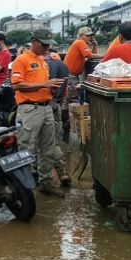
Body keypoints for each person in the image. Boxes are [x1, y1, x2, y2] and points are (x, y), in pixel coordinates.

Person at [11, 29, 67, 197]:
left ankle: (45, 182)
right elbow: (16, 85)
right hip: (29, 109)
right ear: (34, 41)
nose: (47, 48)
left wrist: (49, 87)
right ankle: (24, 186)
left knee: (48, 148)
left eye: (49, 45)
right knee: (26, 147)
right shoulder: (22, 60)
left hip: (46, 107)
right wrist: (44, 84)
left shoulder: (43, 61)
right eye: (44, 44)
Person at [43, 52, 72, 186]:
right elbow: (64, 88)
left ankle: (42, 177)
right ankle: (62, 172)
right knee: (53, 141)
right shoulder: (64, 65)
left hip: (42, 105)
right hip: (56, 105)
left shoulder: (43, 65)